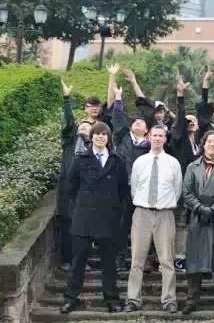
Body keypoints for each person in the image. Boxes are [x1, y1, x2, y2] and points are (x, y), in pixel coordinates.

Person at [60, 122, 128, 314]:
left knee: (109, 262)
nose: (100, 137)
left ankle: (112, 299)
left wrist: (116, 211)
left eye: (104, 134)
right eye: (97, 134)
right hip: (84, 218)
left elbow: (123, 190)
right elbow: (70, 188)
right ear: (91, 137)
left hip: (108, 218)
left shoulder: (117, 160)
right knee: (78, 261)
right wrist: (82, 206)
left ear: (108, 138)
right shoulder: (80, 160)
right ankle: (71, 298)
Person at [124, 126, 182, 314]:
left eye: (161, 136)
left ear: (165, 139)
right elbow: (134, 188)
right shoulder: (140, 162)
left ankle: (169, 300)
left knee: (167, 260)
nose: (157, 138)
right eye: (154, 135)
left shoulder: (173, 163)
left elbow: (177, 189)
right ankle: (133, 299)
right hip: (142, 213)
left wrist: (163, 205)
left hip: (165, 214)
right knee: (137, 260)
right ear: (149, 137)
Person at [181, 132, 214, 315]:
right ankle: (191, 300)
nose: (212, 144)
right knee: (195, 260)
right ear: (203, 145)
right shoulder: (192, 166)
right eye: (209, 141)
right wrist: (201, 209)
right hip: (198, 218)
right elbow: (187, 192)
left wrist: (212, 209)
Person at [110, 83, 151, 271]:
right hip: (124, 189)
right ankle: (119, 258)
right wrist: (118, 98)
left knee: (145, 227)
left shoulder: (152, 146)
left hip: (145, 190)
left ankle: (144, 260)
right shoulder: (123, 138)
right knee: (122, 225)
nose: (137, 123)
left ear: (147, 130)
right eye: (134, 122)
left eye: (141, 123)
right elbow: (118, 120)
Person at [58, 80, 92, 272]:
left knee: (84, 229)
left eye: (87, 127)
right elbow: (69, 122)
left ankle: (82, 261)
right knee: (67, 225)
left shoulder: (93, 148)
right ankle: (67, 260)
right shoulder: (69, 142)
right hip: (67, 191)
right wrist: (67, 98)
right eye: (82, 126)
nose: (83, 128)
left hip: (85, 193)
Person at [169, 76, 199, 273]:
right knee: (179, 223)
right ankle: (177, 257)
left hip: (197, 188)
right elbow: (179, 124)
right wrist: (180, 97)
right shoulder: (178, 140)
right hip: (179, 187)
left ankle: (190, 256)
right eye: (186, 121)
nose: (190, 122)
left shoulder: (202, 143)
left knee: (191, 224)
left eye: (192, 120)